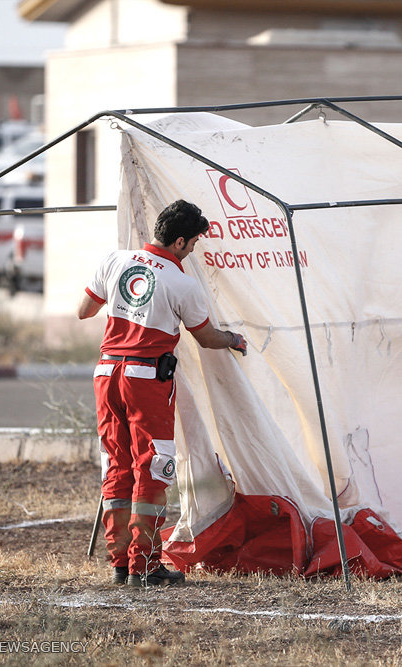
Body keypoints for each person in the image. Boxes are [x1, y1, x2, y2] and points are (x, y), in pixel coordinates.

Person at [77, 200, 248, 587]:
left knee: (117, 466)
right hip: (146, 379)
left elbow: (84, 310)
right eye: (193, 244)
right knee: (153, 468)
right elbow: (205, 338)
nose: (193, 251)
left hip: (106, 372)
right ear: (181, 241)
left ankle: (120, 563)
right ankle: (146, 566)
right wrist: (234, 339)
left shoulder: (114, 261)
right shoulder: (182, 283)